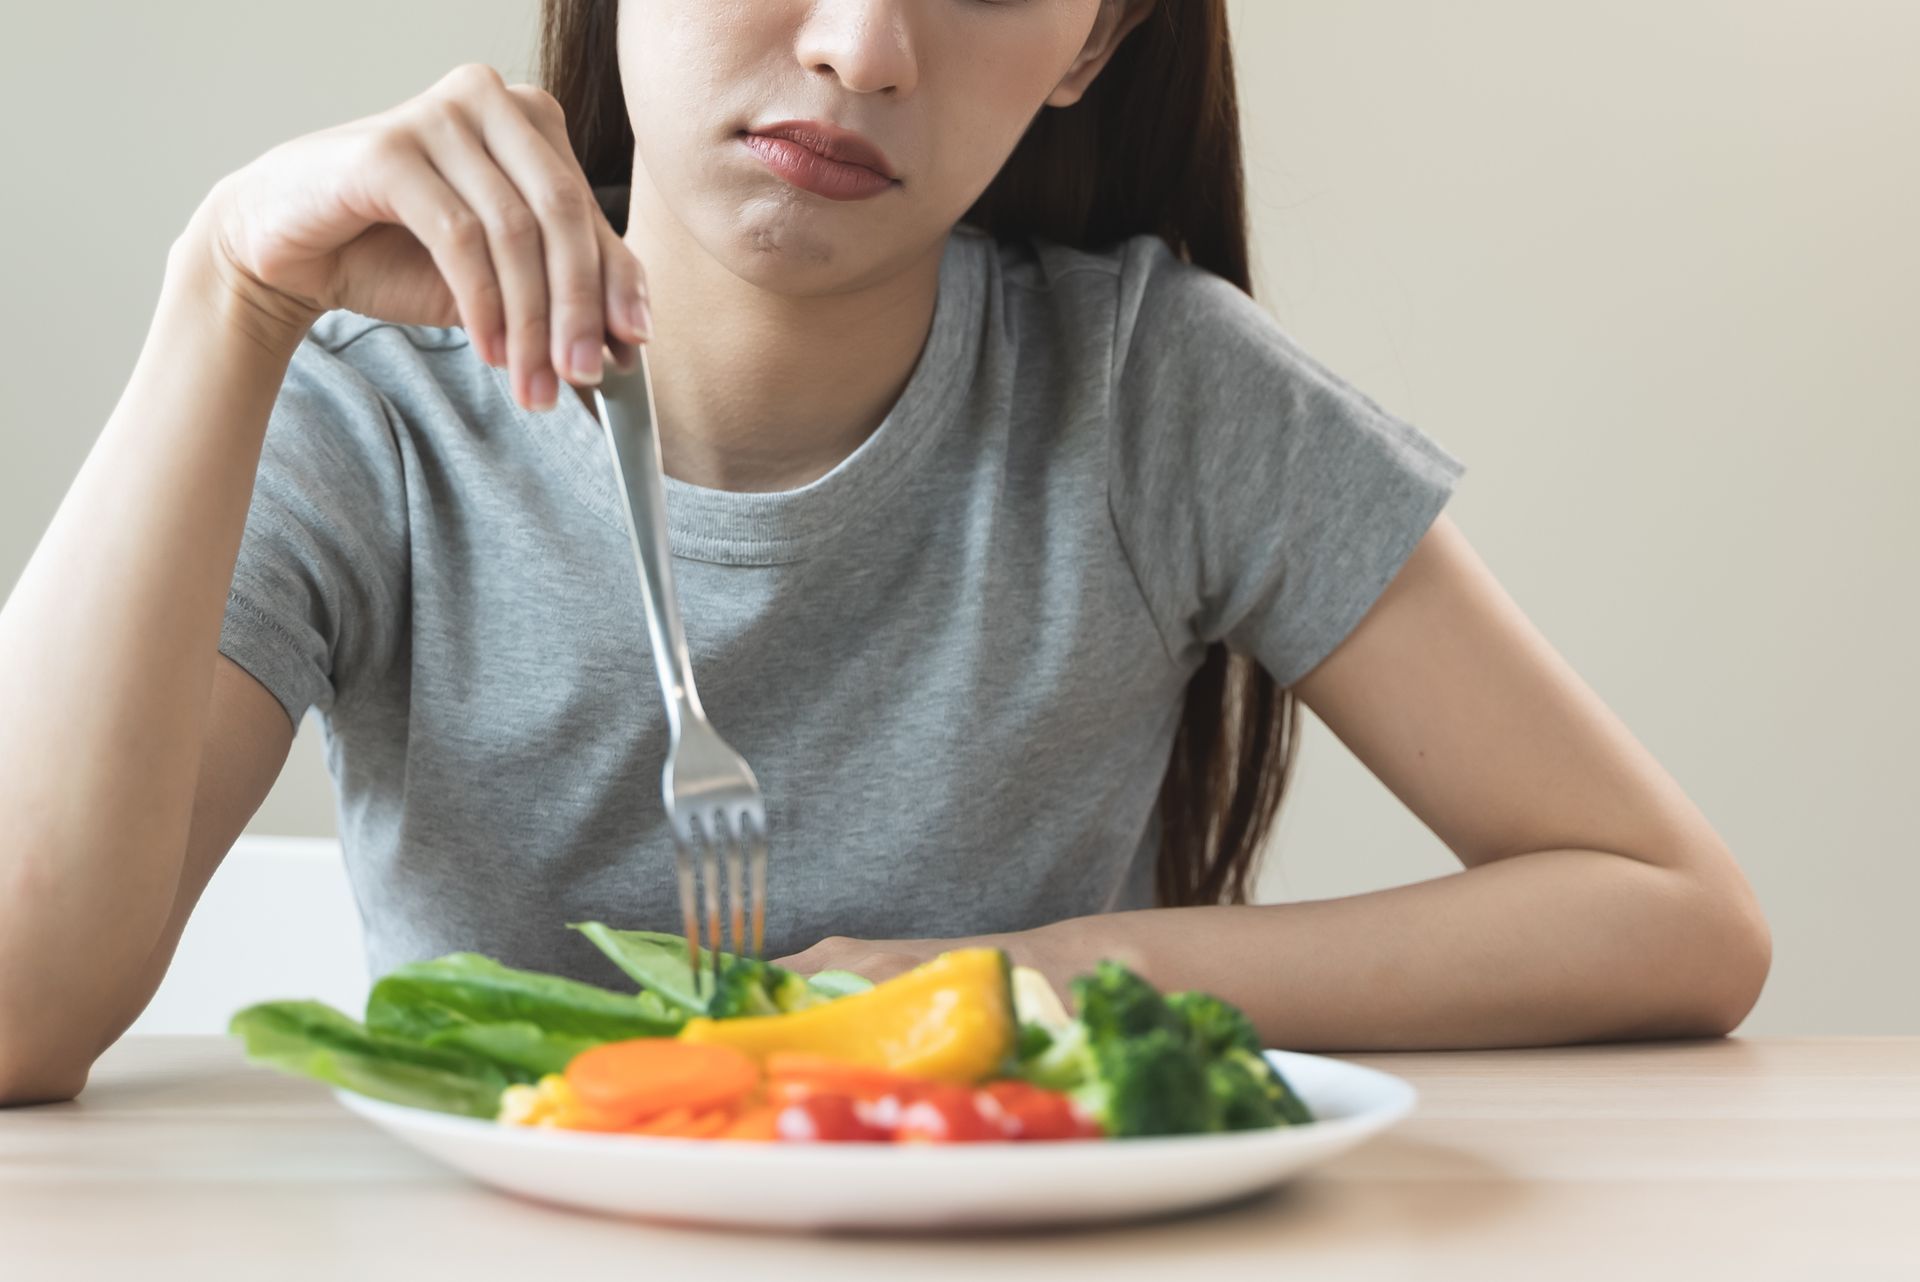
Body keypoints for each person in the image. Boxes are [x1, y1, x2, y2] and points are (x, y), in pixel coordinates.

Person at [0, 0, 1770, 1106]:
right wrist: (222, 292)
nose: (863, 44)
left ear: (1091, 41)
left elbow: (1678, 917)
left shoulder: (1156, 392)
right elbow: (18, 1018)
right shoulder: (375, 414)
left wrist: (1052, 971)